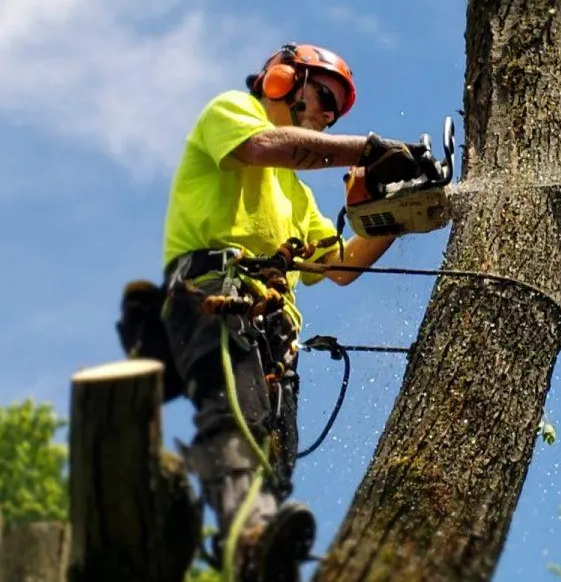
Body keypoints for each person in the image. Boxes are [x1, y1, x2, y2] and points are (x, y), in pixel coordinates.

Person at [158, 42, 429, 582]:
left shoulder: (298, 196)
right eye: (324, 96)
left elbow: (342, 266)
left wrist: (398, 212)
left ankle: (265, 554)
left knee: (277, 457)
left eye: (336, 111)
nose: (327, 115)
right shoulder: (233, 113)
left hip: (274, 330)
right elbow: (265, 148)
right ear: (282, 79)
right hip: (215, 295)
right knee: (238, 418)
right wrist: (368, 149)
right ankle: (249, 538)